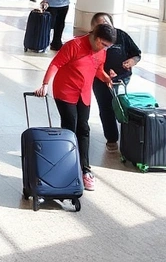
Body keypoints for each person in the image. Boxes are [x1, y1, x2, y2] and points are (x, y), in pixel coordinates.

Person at [34, 23, 116, 191]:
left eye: (108, 46)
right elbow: (55, 63)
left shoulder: (101, 51)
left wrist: (106, 77)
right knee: (70, 127)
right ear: (96, 37)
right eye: (104, 44)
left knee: (84, 129)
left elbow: (97, 69)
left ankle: (85, 169)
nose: (105, 49)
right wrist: (45, 84)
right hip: (65, 91)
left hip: (83, 93)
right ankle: (68, 166)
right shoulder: (75, 45)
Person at [87, 12, 142, 153]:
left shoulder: (121, 36)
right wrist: (105, 75)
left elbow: (136, 54)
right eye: (100, 25)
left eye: (107, 24)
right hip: (100, 80)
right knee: (106, 107)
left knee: (121, 106)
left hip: (121, 79)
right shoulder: (91, 40)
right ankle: (111, 138)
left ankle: (128, 135)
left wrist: (131, 61)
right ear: (93, 28)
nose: (105, 27)